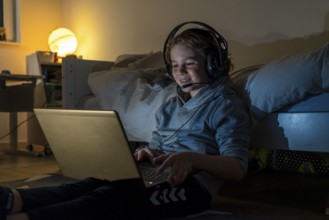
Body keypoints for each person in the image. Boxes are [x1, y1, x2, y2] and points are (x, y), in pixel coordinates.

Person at [0, 21, 251, 220]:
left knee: (109, 199)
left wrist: (191, 159)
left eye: (190, 64)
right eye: (175, 65)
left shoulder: (225, 106)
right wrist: (147, 152)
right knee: (91, 184)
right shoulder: (170, 105)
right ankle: (11, 199)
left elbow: (237, 168)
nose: (180, 72)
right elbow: (158, 142)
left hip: (192, 188)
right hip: (157, 173)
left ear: (213, 64)